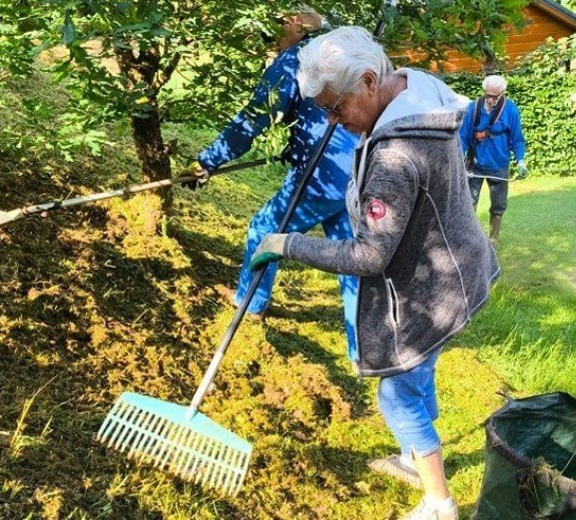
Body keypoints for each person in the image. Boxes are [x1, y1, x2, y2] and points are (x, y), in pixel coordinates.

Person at [248, 27, 500, 520]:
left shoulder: (394, 156)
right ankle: (415, 455)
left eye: (335, 107)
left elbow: (369, 258)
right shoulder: (414, 86)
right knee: (417, 367)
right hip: (455, 265)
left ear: (368, 80)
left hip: (437, 283)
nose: (332, 120)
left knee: (396, 390)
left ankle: (439, 502)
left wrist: (287, 243)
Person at [195, 11, 360, 358]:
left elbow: (253, 120)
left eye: (272, 32)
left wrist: (207, 161)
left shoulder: (296, 61)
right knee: (351, 258)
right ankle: (363, 346)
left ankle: (250, 305)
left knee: (265, 231)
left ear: (296, 23)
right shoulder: (344, 51)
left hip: (323, 176)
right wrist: (295, 144)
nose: (269, 43)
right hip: (361, 171)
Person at [459, 75, 527, 245]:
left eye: (495, 96)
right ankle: (471, 239)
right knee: (470, 202)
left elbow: (517, 139)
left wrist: (520, 161)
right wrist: (459, 156)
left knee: (498, 205)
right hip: (475, 165)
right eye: (488, 95)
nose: (490, 99)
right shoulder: (472, 109)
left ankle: (493, 240)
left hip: (499, 165)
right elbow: (462, 137)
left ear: (503, 93)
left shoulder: (510, 110)